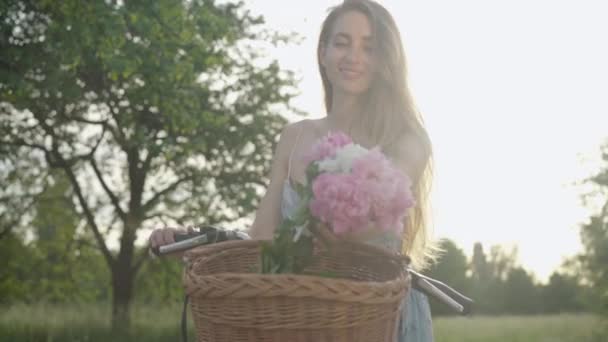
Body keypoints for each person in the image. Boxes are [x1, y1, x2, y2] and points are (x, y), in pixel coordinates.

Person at [150, 1, 435, 340]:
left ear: (385, 59)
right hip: (302, 315)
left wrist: (338, 231)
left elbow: (378, 213)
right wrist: (203, 247)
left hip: (376, 318)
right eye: (342, 42)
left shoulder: (406, 139)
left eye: (369, 47)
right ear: (323, 52)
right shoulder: (294, 136)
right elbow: (263, 239)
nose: (353, 56)